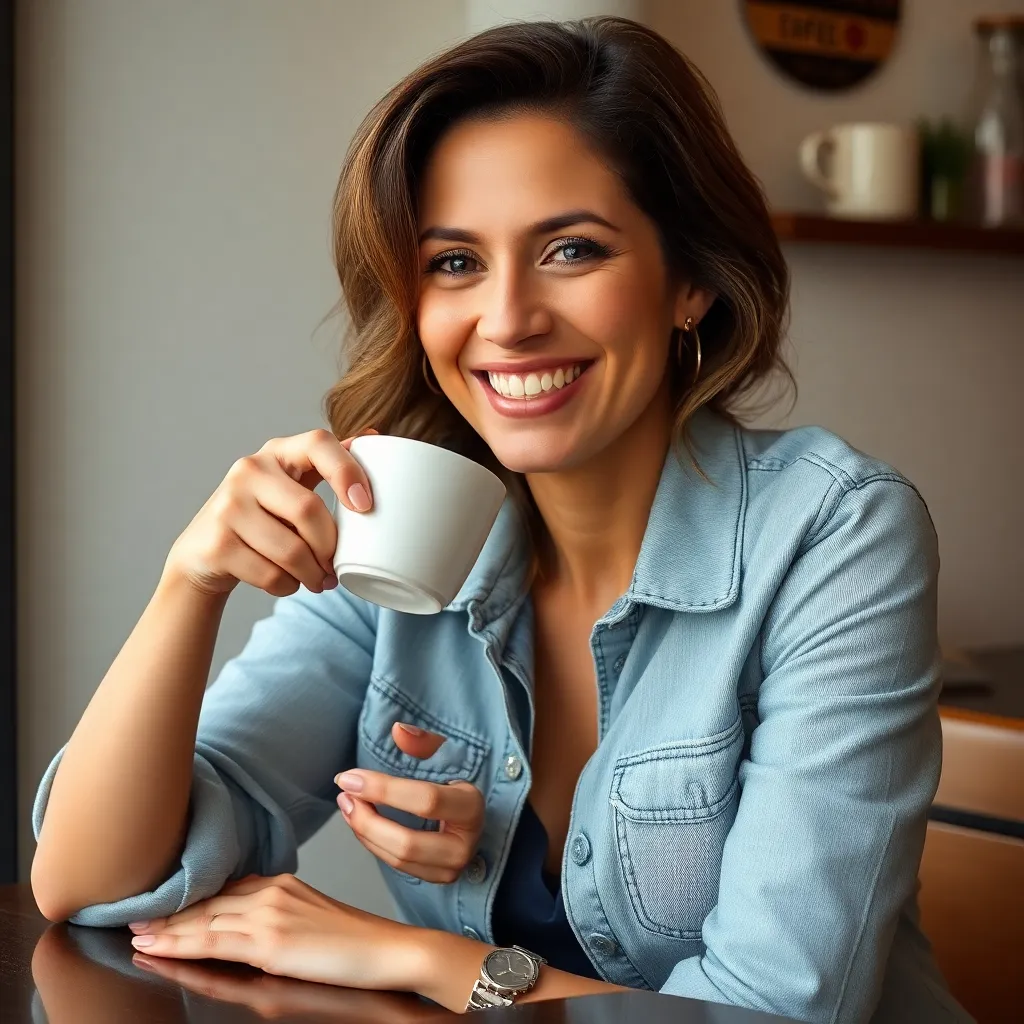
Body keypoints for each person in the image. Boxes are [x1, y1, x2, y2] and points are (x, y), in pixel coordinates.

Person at [29, 16, 969, 1023]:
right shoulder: (400, 533)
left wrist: (414, 957)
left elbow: (778, 1010)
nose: (508, 317)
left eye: (570, 249)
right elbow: (88, 882)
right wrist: (191, 585)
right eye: (453, 263)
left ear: (688, 279)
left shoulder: (834, 535)